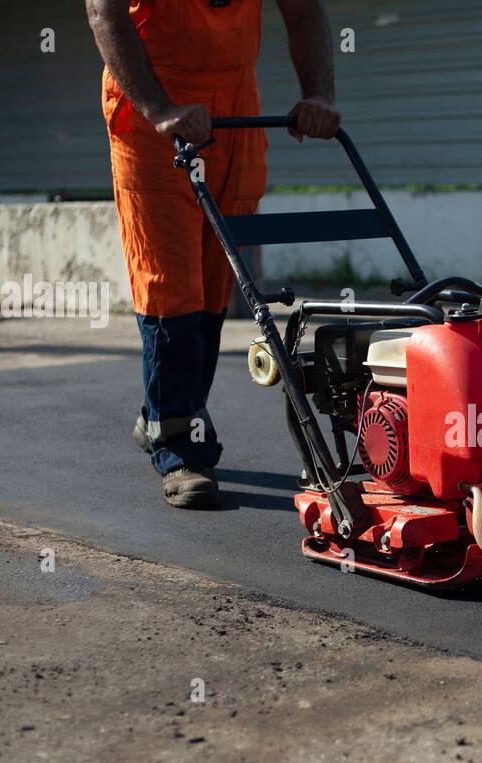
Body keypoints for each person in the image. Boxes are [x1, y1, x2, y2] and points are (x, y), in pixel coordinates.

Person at [86, 0, 340, 507]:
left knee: (213, 287)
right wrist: (159, 109)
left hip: (235, 108)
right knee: (170, 285)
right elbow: (103, 12)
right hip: (153, 110)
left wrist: (318, 94)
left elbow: (305, 11)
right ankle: (181, 451)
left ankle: (160, 413)